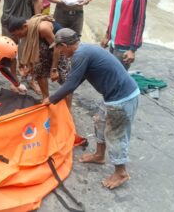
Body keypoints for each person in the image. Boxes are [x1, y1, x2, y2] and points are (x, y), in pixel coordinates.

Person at [42, 28, 140, 190]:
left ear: (64, 45)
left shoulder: (80, 55)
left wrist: (51, 100)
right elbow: (76, 80)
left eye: (58, 48)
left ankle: (121, 172)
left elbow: (71, 84)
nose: (58, 52)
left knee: (114, 134)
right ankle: (99, 155)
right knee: (99, 121)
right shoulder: (84, 50)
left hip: (123, 98)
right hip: (113, 96)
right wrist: (60, 95)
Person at [7, 16, 70, 102]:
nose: (19, 37)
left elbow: (57, 48)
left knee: (64, 77)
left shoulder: (43, 28)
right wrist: (30, 65)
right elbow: (30, 49)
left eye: (19, 34)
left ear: (25, 26)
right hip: (46, 44)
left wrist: (54, 69)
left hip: (61, 46)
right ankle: (45, 98)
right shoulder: (28, 29)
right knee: (38, 69)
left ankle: (68, 106)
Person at [101, 0, 147, 70]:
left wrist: (132, 49)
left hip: (124, 47)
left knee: (117, 78)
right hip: (113, 43)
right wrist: (107, 35)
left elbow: (139, 23)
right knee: (111, 75)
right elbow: (114, 16)